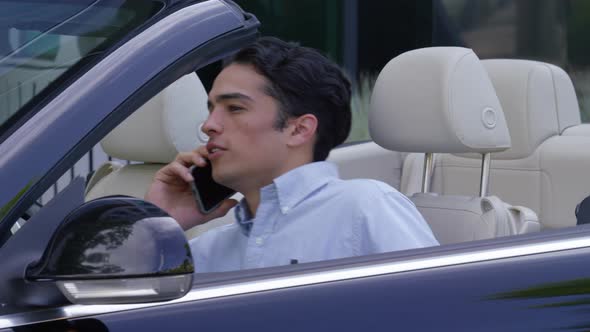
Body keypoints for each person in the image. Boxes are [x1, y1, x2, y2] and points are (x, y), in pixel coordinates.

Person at [146, 37, 438, 273]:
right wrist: (159, 222)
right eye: (211, 109)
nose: (208, 125)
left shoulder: (365, 207)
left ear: (299, 130)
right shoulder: (208, 250)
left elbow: (440, 311)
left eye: (234, 108)